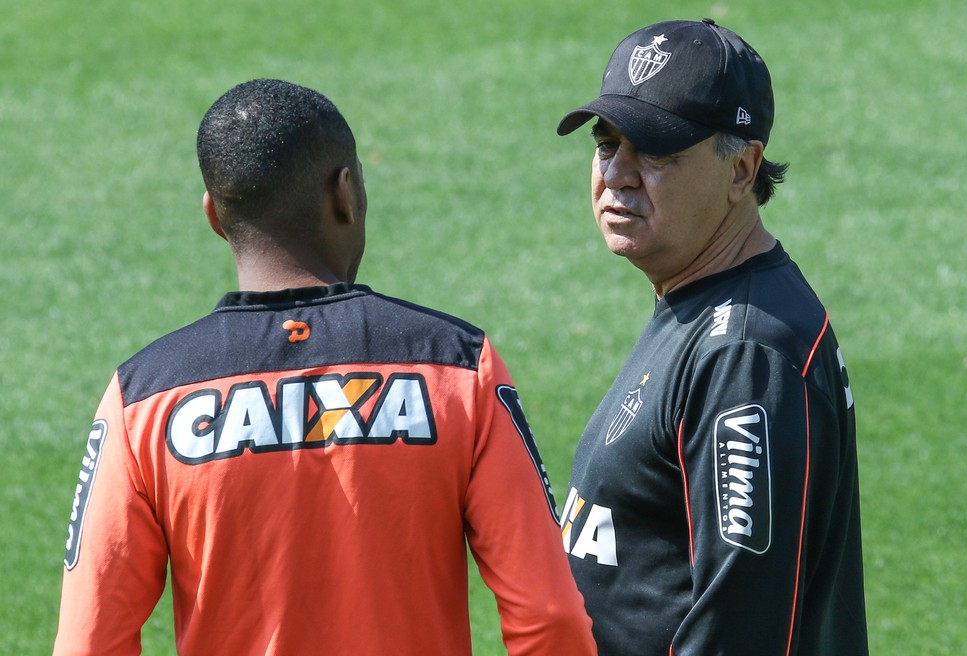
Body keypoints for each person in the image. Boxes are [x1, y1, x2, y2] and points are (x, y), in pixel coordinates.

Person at [53, 78, 597, 656]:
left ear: (214, 215)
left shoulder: (142, 398)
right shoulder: (460, 366)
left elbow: (90, 641)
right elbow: (551, 615)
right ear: (347, 194)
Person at [554, 19, 868, 655]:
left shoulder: (747, 354)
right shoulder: (701, 302)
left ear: (742, 169)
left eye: (658, 151)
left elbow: (740, 630)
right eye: (607, 143)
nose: (618, 173)